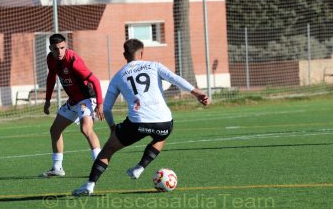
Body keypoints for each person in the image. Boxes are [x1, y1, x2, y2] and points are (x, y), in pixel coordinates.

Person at [72, 38, 210, 195]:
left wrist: (112, 128)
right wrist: (196, 92)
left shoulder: (118, 77)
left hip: (137, 123)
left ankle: (90, 185)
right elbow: (174, 78)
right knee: (160, 137)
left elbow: (107, 108)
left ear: (125, 54)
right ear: (142, 52)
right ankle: (140, 167)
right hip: (164, 122)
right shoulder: (154, 65)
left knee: (108, 150)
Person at [41, 33, 104, 177]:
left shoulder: (74, 61)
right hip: (73, 100)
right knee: (55, 130)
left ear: (66, 46)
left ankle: (100, 164)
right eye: (56, 49)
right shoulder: (51, 59)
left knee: (86, 129)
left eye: (62, 48)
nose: (60, 52)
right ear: (50, 48)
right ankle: (57, 168)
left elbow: (95, 80)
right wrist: (47, 100)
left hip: (87, 98)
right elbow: (51, 78)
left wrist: (100, 104)